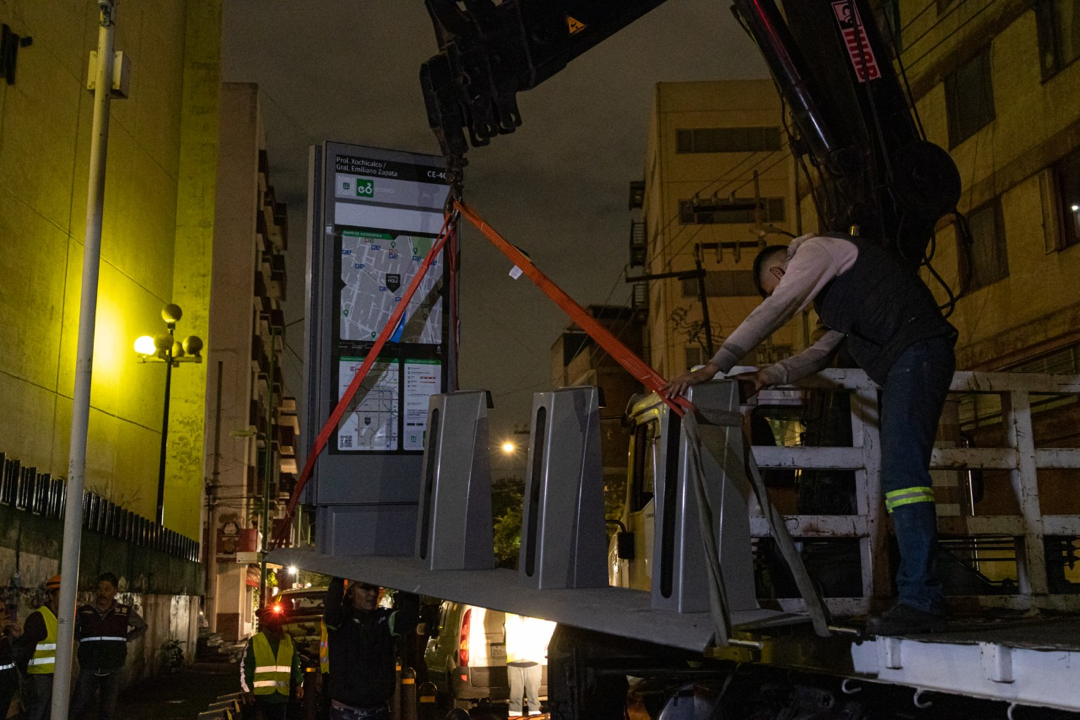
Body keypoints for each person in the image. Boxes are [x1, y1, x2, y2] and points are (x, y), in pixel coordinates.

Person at [663, 233, 957, 636]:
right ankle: (920, 595)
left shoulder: (815, 251)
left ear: (780, 271)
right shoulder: (837, 291)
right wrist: (767, 377)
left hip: (916, 351)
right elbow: (819, 353)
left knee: (904, 477)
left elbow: (779, 307)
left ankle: (922, 599)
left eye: (774, 287)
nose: (788, 294)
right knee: (901, 478)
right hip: (910, 357)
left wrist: (715, 366)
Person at [323, 578, 418, 720]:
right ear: (350, 593)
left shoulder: (385, 620)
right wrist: (338, 576)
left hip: (378, 711)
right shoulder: (341, 619)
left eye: (375, 588)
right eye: (365, 588)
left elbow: (409, 618)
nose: (373, 593)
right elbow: (331, 609)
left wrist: (407, 577)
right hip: (345, 712)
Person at [70, 572, 149, 720]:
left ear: (114, 591)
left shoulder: (123, 612)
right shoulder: (84, 611)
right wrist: (83, 639)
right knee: (77, 708)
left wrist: (127, 638)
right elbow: (71, 628)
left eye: (107, 589)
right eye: (100, 589)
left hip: (113, 668)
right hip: (89, 667)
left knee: (107, 711)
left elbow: (142, 626)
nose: (102, 593)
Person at [241, 604, 304, 720]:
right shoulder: (255, 641)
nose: (274, 620)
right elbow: (246, 668)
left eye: (277, 617)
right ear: (264, 621)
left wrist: (299, 684)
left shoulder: (288, 641)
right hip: (260, 697)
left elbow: (295, 665)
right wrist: (247, 690)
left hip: (281, 697)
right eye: (270, 616)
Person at [18, 574, 61, 720]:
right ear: (51, 596)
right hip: (40, 678)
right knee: (37, 713)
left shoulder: (64, 619)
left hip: (57, 677)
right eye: (62, 594)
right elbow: (24, 652)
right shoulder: (38, 619)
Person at [504, 614, 556, 718]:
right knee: (517, 697)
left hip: (531, 659)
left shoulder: (537, 614)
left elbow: (548, 633)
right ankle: (516, 716)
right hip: (517, 660)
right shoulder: (510, 614)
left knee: (530, 697)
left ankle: (533, 715)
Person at [0, 606, 21, 719]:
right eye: (0, 611)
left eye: (4, 610)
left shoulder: (5, 635)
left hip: (6, 689)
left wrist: (17, 637)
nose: (4, 614)